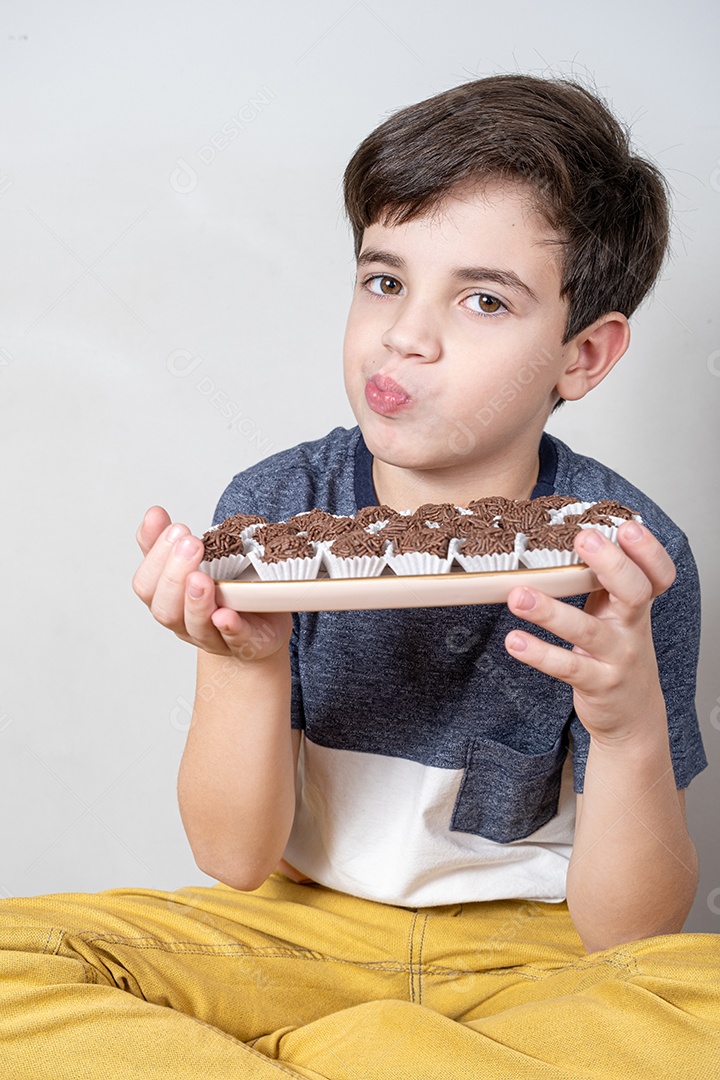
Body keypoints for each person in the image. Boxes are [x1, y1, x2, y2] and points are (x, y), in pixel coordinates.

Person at [1, 74, 719, 1079]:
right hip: (297, 940)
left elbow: (629, 932)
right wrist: (242, 662)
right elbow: (233, 860)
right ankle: (387, 1053)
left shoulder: (628, 552)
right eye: (385, 280)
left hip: (529, 960)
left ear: (583, 354)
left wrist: (628, 722)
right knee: (12, 964)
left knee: (701, 1007)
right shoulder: (278, 504)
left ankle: (360, 1054)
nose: (406, 335)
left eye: (481, 300)